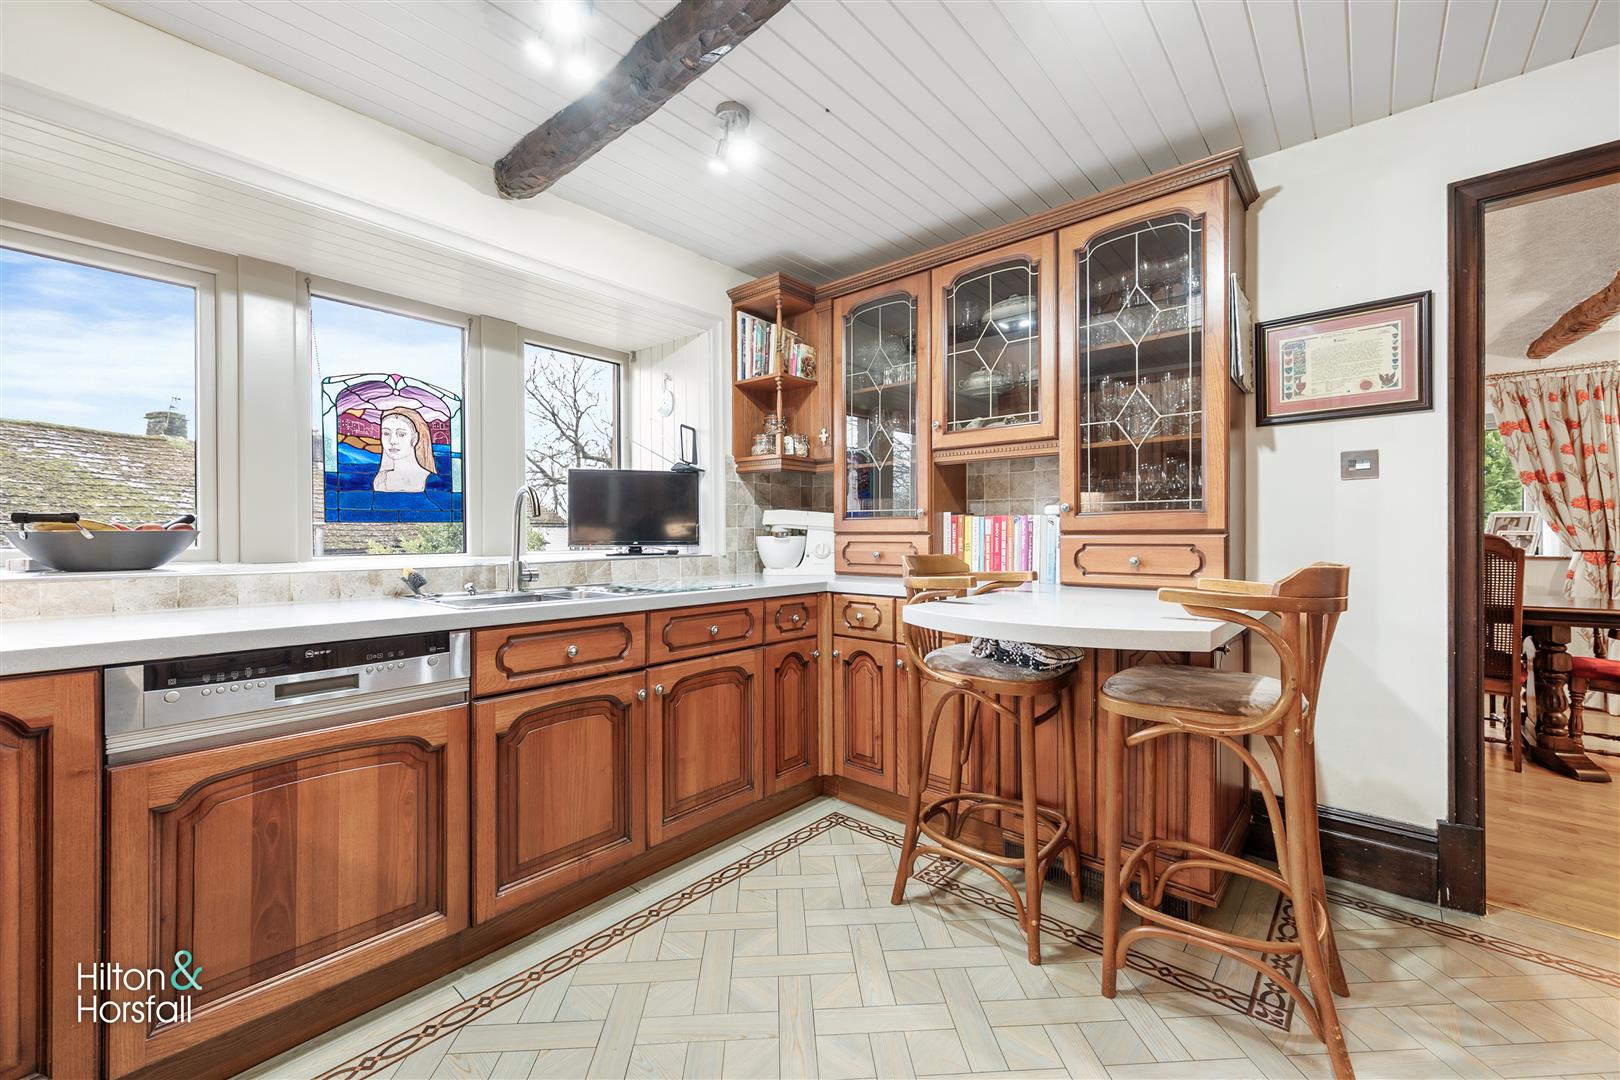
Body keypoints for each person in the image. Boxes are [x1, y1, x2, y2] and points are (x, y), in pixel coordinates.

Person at [373, 407, 437, 493]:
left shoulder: (432, 482)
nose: (392, 441)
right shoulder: (380, 480)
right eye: (386, 433)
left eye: (401, 434)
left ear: (415, 439)